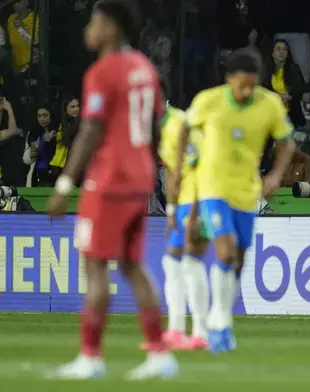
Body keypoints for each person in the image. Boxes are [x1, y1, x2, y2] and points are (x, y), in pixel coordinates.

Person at [46, 0, 178, 380]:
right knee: (134, 266)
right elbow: (155, 127)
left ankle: (90, 356)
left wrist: (65, 182)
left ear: (111, 26)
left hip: (109, 182)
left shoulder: (103, 71)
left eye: (94, 21)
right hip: (139, 179)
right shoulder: (145, 68)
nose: (88, 29)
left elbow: (90, 130)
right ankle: (158, 353)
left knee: (95, 266)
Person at [175, 47, 296, 354]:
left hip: (247, 190)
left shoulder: (269, 103)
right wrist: (179, 170)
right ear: (229, 78)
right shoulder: (209, 100)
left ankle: (222, 316)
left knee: (238, 258)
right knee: (225, 252)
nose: (246, 91)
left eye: (252, 84)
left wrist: (276, 175)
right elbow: (184, 130)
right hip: (213, 187)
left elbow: (287, 143)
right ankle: (219, 322)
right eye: (241, 84)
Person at [149, 102, 209, 351]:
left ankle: (200, 333)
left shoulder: (183, 125)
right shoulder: (162, 131)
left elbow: (203, 169)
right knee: (172, 261)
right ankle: (175, 331)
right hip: (183, 201)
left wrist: (195, 211)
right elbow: (173, 172)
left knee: (190, 261)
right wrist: (171, 211)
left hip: (203, 197)